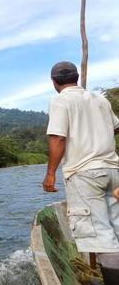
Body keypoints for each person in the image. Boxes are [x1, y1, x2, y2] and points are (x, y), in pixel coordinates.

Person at [42, 61, 119, 282]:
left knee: (103, 239)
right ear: (76, 77)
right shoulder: (100, 100)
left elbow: (58, 137)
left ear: (54, 82)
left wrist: (50, 174)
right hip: (112, 170)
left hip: (85, 175)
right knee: (116, 228)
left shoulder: (60, 101)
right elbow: (115, 126)